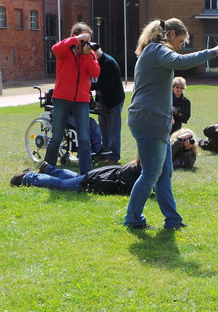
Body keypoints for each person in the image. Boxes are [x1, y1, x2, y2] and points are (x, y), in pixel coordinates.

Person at [125, 18, 218, 230]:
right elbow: (181, 62)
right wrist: (211, 51)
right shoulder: (157, 50)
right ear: (170, 34)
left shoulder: (153, 52)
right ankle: (133, 219)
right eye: (180, 41)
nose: (180, 46)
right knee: (151, 174)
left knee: (164, 172)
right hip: (148, 121)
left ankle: (172, 220)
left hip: (154, 121)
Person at [44, 22, 101, 174]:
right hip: (62, 98)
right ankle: (47, 170)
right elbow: (55, 49)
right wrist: (76, 39)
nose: (85, 42)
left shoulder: (90, 53)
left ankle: (86, 174)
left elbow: (95, 73)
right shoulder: (65, 49)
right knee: (56, 137)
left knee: (84, 138)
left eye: (87, 39)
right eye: (83, 38)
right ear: (75, 36)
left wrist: (88, 56)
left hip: (81, 100)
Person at [10, 159, 141, 195]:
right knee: (61, 184)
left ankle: (48, 169)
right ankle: (28, 177)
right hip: (94, 180)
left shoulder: (133, 166)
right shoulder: (134, 175)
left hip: (96, 175)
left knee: (76, 177)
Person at [91, 46, 125, 165]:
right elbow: (96, 81)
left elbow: (108, 85)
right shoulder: (96, 62)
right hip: (103, 99)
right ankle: (105, 153)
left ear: (96, 52)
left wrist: (90, 86)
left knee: (113, 130)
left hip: (114, 100)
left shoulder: (108, 63)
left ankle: (114, 156)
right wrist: (97, 100)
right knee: (103, 129)